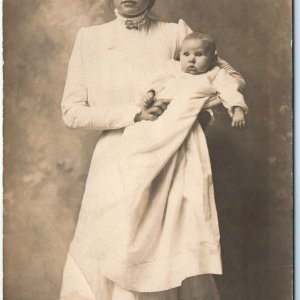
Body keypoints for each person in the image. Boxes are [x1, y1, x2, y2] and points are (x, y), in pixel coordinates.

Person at [59, 1, 246, 299]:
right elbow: (72, 112)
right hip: (115, 157)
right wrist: (133, 114)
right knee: (108, 251)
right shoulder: (89, 38)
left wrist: (189, 109)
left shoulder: (175, 33)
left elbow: (229, 78)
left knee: (169, 258)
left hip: (172, 160)